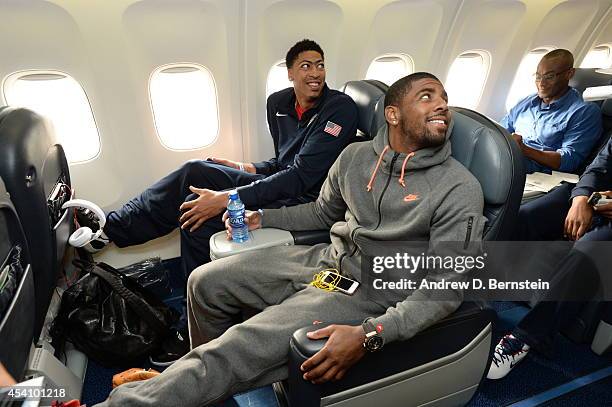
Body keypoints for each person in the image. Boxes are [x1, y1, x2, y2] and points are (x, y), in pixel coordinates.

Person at [94, 72, 487, 407]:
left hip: (376, 289)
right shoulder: (355, 158)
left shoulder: (459, 188)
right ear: (393, 114)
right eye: (427, 96)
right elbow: (320, 212)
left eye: (445, 99)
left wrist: (372, 333)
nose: (442, 106)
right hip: (327, 261)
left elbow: (446, 288)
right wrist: (260, 216)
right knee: (203, 282)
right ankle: (197, 388)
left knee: (236, 347)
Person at [76, 39, 358, 277]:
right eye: (305, 66)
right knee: (194, 170)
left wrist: (224, 199)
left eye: (320, 65)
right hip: (281, 182)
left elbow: (301, 176)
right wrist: (241, 167)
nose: (315, 73)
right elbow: (281, 163)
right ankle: (107, 229)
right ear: (290, 73)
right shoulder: (280, 104)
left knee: (194, 211)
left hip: (307, 197)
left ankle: (199, 306)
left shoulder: (339, 110)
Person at [488, 136, 612, 380]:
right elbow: (598, 167)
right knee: (528, 215)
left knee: (589, 250)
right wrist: (580, 200)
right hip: (599, 199)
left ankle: (525, 339)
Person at [501, 49, 602, 174]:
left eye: (549, 77)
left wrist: (524, 149)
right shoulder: (526, 102)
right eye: (538, 76)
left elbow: (569, 161)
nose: (541, 83)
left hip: (534, 174)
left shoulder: (583, 112)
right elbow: (500, 130)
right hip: (508, 159)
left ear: (569, 74)